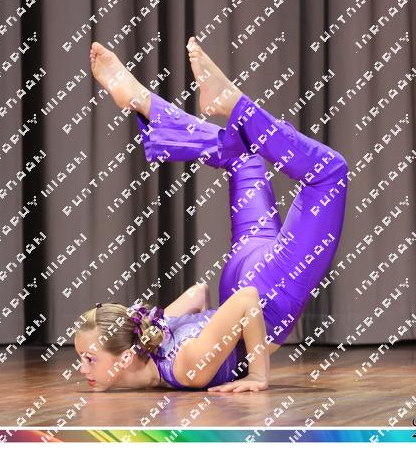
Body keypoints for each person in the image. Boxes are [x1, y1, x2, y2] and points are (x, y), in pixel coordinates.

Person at [75, 38, 349, 392]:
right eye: (84, 358)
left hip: (264, 292)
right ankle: (146, 101)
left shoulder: (185, 367)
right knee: (247, 156)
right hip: (247, 278)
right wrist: (211, 336)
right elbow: (199, 295)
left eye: (89, 358)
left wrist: (256, 374)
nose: (80, 368)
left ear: (127, 356)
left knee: (328, 173)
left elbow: (240, 299)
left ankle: (187, 102)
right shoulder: (164, 347)